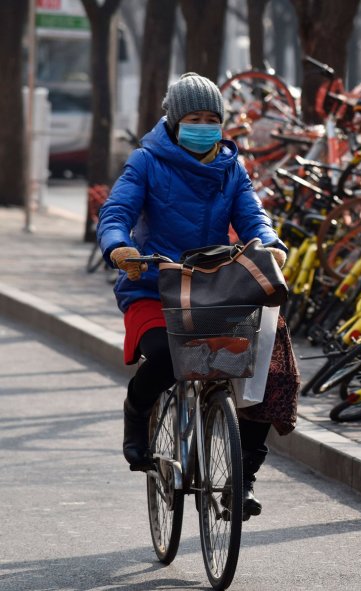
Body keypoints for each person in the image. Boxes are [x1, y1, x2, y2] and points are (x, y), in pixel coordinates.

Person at [97, 72, 288, 519]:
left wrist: (269, 242)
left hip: (215, 288)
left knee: (266, 359)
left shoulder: (231, 167)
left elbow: (253, 216)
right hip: (154, 286)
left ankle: (242, 478)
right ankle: (136, 412)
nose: (204, 126)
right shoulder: (146, 162)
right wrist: (117, 246)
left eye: (212, 118)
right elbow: (117, 211)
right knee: (165, 356)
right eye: (194, 118)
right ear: (173, 120)